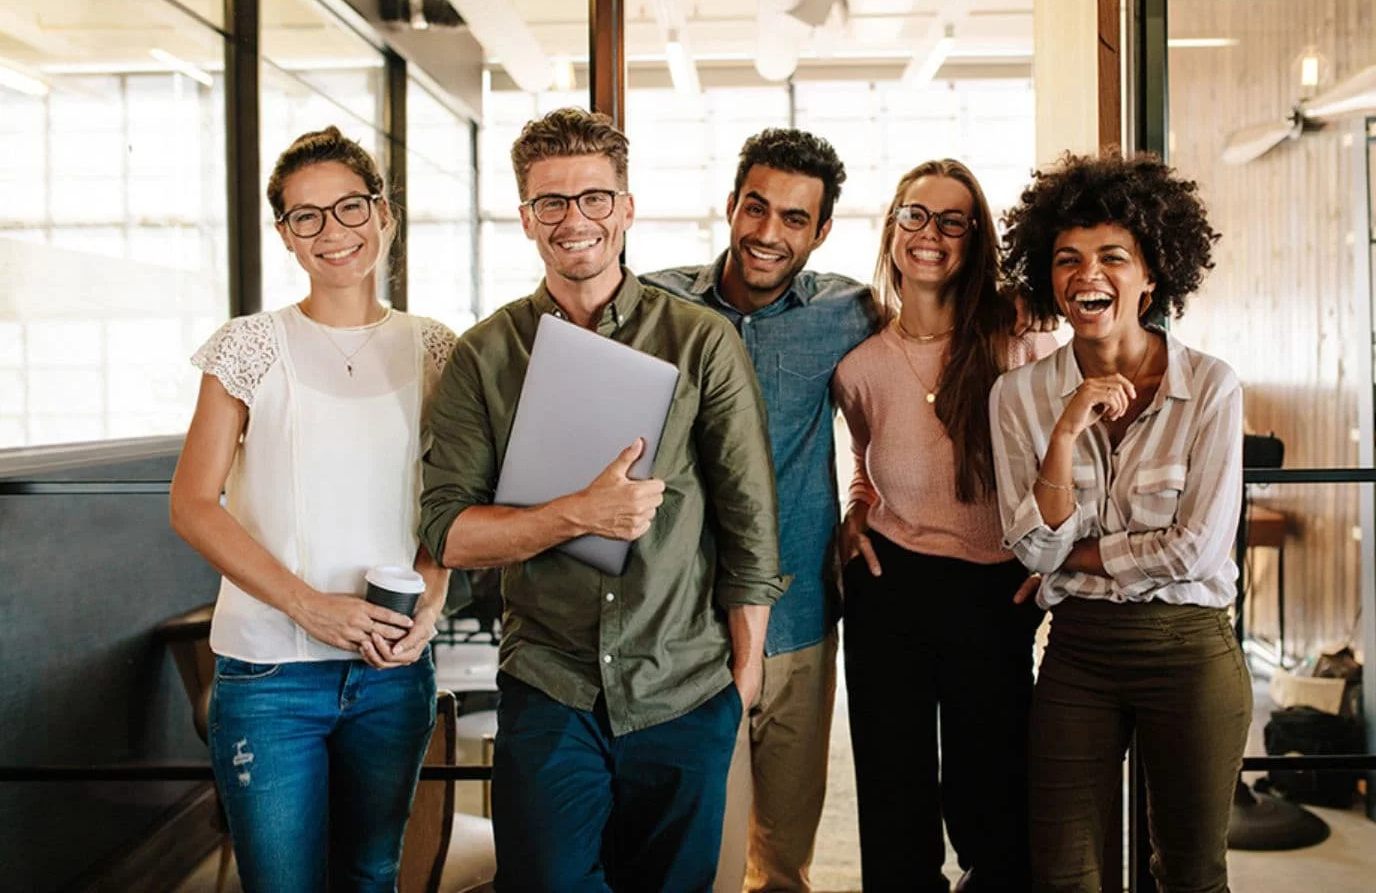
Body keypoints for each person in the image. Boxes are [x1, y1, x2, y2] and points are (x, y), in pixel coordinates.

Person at [418, 107, 786, 892]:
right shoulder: (485, 355)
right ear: (525, 219)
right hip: (552, 686)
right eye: (551, 202)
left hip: (684, 687)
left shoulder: (699, 341)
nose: (573, 219)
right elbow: (448, 532)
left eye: (593, 197)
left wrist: (740, 688)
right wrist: (578, 515)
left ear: (624, 207)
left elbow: (750, 528)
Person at [169, 126, 456, 892]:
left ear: (384, 215)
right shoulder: (248, 346)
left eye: (350, 208)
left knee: (370, 875)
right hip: (270, 674)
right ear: (286, 236)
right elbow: (194, 505)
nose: (334, 232)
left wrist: (435, 593)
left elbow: (454, 499)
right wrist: (310, 607)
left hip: (391, 673)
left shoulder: (434, 348)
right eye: (307, 217)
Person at [988, 151, 1250, 893]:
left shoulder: (1210, 387)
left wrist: (1079, 556)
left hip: (1191, 650)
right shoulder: (1020, 397)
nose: (1086, 275)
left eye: (1112, 256)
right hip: (1078, 654)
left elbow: (1198, 550)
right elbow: (1037, 551)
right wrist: (1066, 430)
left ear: (1153, 273)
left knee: (1191, 871)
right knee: (1064, 871)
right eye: (1067, 259)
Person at [644, 128, 876, 892]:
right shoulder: (653, 305)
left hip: (800, 616)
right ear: (732, 204)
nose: (768, 234)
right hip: (682, 625)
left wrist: (868, 498)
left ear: (822, 229)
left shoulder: (850, 312)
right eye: (756, 208)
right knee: (688, 851)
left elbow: (924, 378)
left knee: (780, 859)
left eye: (794, 219)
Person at [833, 159, 1053, 892]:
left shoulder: (1018, 337)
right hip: (889, 584)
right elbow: (868, 458)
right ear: (893, 228)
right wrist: (855, 509)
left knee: (993, 798)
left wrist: (1057, 554)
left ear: (974, 237)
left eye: (952, 220)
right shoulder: (860, 365)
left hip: (995, 590)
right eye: (915, 216)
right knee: (894, 799)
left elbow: (1066, 454)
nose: (931, 234)